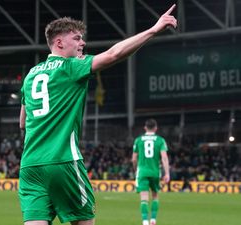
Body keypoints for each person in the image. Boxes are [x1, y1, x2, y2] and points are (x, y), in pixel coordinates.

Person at [19, 5, 177, 225]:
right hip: (63, 160)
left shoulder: (29, 76)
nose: (82, 43)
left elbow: (22, 122)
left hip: (30, 165)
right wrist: (153, 30)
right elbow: (114, 54)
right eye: (76, 38)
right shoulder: (70, 67)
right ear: (59, 42)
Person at [132, 119, 170, 225]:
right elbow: (164, 158)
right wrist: (167, 173)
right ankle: (153, 220)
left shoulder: (138, 140)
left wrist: (136, 170)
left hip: (142, 172)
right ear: (155, 128)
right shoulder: (160, 140)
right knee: (155, 196)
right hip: (155, 172)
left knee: (144, 198)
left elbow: (134, 159)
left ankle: (145, 222)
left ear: (145, 128)